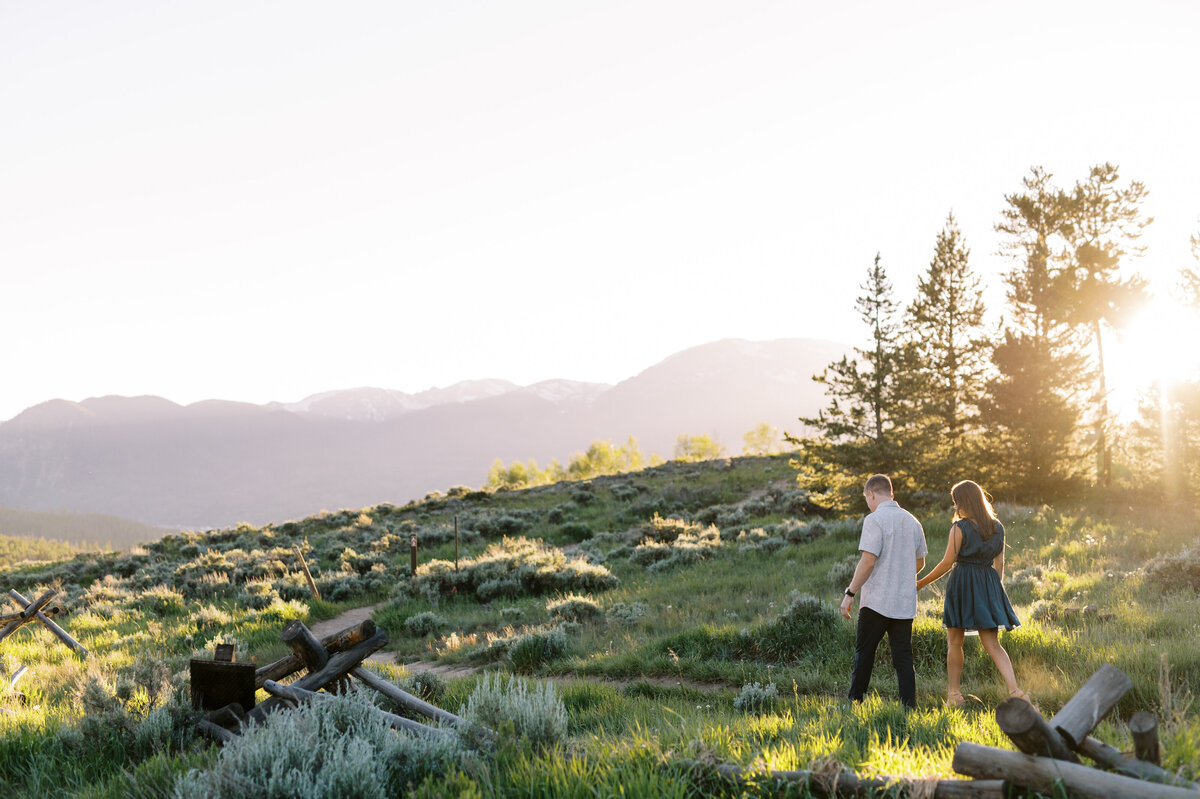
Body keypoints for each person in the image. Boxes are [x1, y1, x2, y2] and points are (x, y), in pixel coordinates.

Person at [916, 479, 1027, 707]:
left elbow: (947, 563)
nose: (955, 507)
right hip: (988, 584)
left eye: (956, 502)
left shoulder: (960, 528)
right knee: (993, 644)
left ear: (964, 502)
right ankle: (1016, 691)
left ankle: (955, 696)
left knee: (955, 642)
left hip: (963, 584)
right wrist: (992, 592)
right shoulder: (998, 527)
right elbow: (1000, 565)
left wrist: (919, 583)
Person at [840, 474, 928, 709]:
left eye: (866, 498)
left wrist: (850, 593)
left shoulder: (874, 519)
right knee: (903, 657)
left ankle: (854, 703)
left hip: (876, 601)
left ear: (871, 494)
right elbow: (920, 564)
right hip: (903, 602)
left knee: (865, 653)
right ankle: (909, 708)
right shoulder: (913, 521)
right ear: (891, 493)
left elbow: (868, 561)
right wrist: (900, 575)